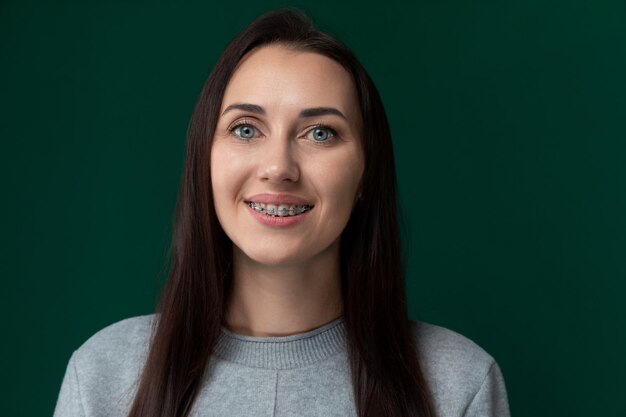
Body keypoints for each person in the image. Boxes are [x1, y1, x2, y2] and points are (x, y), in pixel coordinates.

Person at [54, 9, 510, 417]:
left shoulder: (458, 386)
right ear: (204, 161)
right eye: (246, 128)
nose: (278, 168)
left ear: (366, 175)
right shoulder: (104, 376)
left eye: (320, 134)